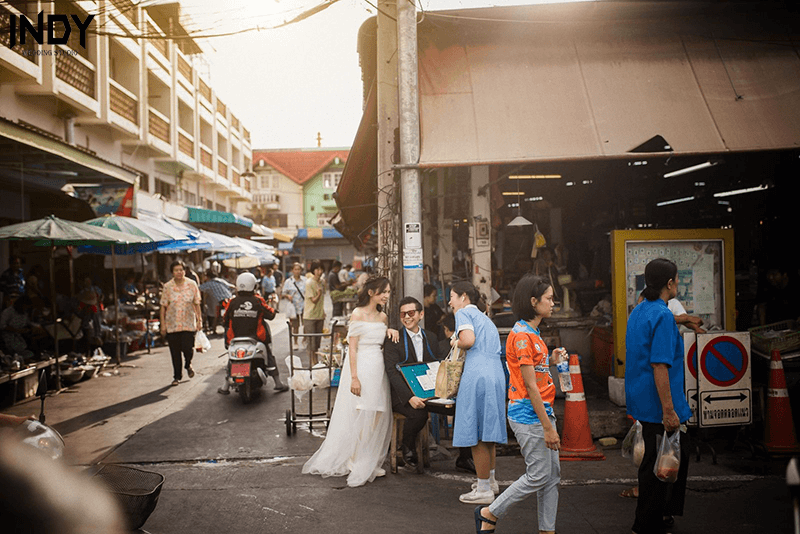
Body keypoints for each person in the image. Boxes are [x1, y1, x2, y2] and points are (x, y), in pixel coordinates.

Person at [475, 274, 565, 534]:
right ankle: (489, 512)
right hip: (529, 415)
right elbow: (530, 386)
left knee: (552, 476)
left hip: (539, 412)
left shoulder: (532, 332)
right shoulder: (524, 336)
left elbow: (532, 373)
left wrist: (550, 360)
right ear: (533, 301)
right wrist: (548, 427)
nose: (553, 303)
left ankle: (547, 530)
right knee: (539, 474)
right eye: (549, 299)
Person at [302, 276, 394, 487]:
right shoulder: (357, 313)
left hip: (378, 367)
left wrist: (390, 330)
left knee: (378, 412)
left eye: (388, 292)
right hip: (361, 366)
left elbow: (383, 342)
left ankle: (371, 457)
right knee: (361, 411)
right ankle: (356, 458)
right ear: (371, 293)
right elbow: (352, 347)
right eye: (383, 292)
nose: (387, 296)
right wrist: (354, 377)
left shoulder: (383, 317)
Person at [626, 258, 692, 534]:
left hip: (641, 398)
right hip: (658, 401)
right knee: (664, 464)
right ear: (669, 283)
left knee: (655, 461)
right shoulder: (663, 316)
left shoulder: (639, 311)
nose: (678, 284)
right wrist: (668, 409)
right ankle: (649, 522)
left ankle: (655, 519)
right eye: (676, 280)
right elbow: (660, 365)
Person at [449, 281, 508, 505]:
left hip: (477, 374)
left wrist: (455, 340)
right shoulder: (486, 319)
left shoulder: (464, 313)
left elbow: (468, 340)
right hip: (495, 374)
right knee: (489, 431)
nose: (450, 302)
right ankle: (489, 481)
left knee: (476, 434)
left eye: (452, 296)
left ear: (464, 297)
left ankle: (483, 489)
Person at [383, 296, 440, 469]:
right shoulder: (394, 339)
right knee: (419, 414)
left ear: (421, 314)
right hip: (401, 395)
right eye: (403, 314)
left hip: (428, 392)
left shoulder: (431, 337)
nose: (407, 317)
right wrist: (409, 397)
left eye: (411, 313)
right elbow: (392, 373)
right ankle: (406, 447)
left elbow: (435, 365)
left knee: (459, 407)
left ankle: (465, 457)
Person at [218, 272, 287, 394]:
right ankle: (278, 383)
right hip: (256, 338)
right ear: (253, 286)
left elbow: (224, 319)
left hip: (235, 339)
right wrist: (273, 310)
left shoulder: (232, 302)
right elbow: (270, 315)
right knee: (269, 355)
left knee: (231, 359)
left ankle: (225, 387)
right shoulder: (258, 300)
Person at [160, 260, 202, 387]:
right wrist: (163, 325)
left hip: (188, 323)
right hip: (172, 324)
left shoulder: (192, 284)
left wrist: (199, 320)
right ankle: (177, 376)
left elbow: (197, 303)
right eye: (176, 270)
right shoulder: (167, 287)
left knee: (188, 348)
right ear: (172, 272)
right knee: (175, 351)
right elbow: (163, 307)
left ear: (185, 271)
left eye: (181, 270)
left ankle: (188, 363)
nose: (179, 272)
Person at [303, 261, 326, 363]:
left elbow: (321, 301)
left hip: (319, 315)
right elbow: (314, 300)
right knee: (311, 342)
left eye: (321, 269)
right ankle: (312, 363)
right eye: (317, 269)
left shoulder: (321, 282)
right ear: (313, 270)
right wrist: (319, 293)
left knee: (317, 343)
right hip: (310, 316)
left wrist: (323, 311)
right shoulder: (309, 283)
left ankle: (316, 362)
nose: (319, 272)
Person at [282, 262, 306, 349]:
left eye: (299, 269)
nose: (297, 271)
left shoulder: (305, 280)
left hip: (304, 305)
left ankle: (304, 339)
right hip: (293, 307)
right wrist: (287, 296)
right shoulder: (288, 282)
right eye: (295, 269)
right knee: (295, 326)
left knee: (306, 324)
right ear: (292, 271)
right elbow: (283, 293)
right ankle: (295, 342)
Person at [77, 277, 103, 344]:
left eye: (88, 281)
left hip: (94, 307)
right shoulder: (83, 291)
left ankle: (97, 336)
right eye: (86, 281)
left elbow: (101, 296)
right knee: (86, 324)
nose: (87, 283)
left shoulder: (96, 289)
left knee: (97, 322)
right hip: (87, 309)